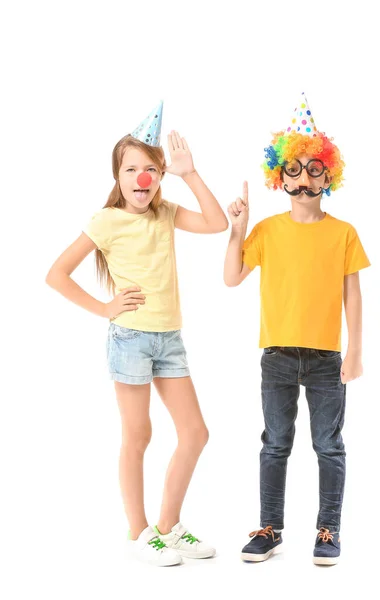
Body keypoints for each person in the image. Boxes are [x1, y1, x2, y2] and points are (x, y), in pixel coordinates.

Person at [46, 101, 227, 566]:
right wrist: (105, 308)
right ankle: (139, 529)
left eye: (151, 169)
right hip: (130, 338)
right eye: (132, 169)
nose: (142, 178)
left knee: (195, 432)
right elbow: (57, 274)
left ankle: (168, 525)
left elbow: (216, 223)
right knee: (139, 434)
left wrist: (188, 173)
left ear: (159, 176)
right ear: (118, 175)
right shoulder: (105, 220)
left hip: (170, 338)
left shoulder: (165, 211)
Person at [223, 93, 370, 566]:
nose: (304, 179)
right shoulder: (266, 230)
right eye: (294, 170)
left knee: (329, 445)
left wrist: (356, 352)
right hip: (278, 356)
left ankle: (328, 529)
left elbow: (353, 295)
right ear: (279, 176)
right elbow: (231, 277)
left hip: (328, 358)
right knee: (275, 444)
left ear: (330, 175)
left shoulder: (343, 232)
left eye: (313, 169)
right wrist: (237, 229)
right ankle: (270, 527)